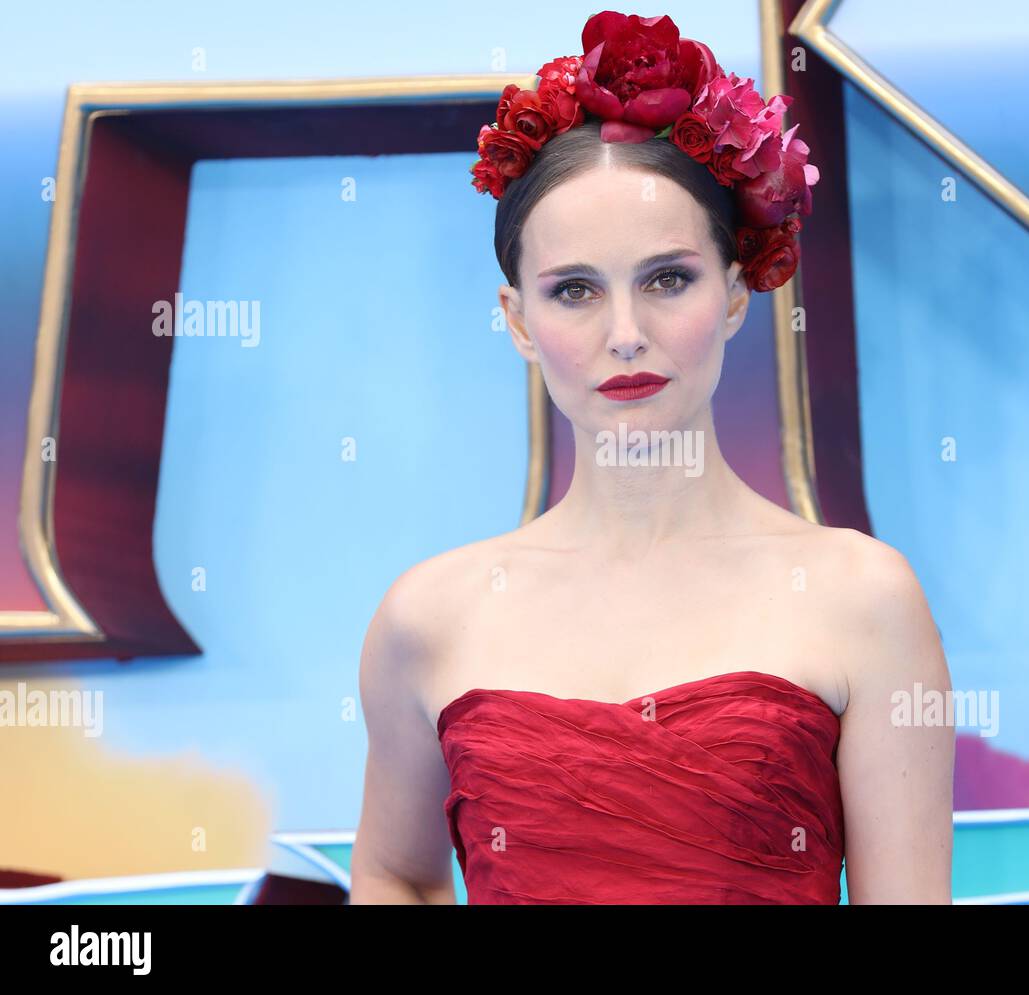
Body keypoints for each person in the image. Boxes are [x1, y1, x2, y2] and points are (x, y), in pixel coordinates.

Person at [350, 10, 952, 904]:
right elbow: (394, 873)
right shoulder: (427, 617)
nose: (626, 336)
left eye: (668, 279)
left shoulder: (864, 600)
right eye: (576, 290)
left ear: (738, 291)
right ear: (519, 320)